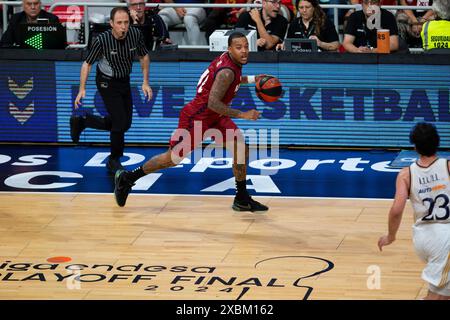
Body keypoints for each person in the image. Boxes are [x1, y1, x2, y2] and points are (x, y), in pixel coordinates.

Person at [114, 32, 269, 213]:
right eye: (239, 47)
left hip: (215, 116)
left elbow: (232, 82)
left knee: (241, 148)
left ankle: (241, 198)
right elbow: (213, 102)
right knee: (172, 159)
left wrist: (253, 79)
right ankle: (128, 178)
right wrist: (243, 114)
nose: (244, 51)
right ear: (229, 49)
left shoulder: (230, 61)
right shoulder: (226, 71)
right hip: (198, 117)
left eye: (246, 47)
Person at [71, 7, 153, 174]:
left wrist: (145, 82)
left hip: (124, 80)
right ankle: (114, 160)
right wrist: (82, 89)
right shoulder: (102, 40)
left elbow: (144, 56)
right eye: (119, 23)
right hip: (106, 82)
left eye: (126, 22)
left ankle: (83, 121)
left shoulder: (135, 35)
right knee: (119, 121)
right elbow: (87, 64)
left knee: (125, 124)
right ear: (111, 24)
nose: (123, 26)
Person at [378, 122, 450, 300]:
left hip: (422, 238)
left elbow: (396, 210)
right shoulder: (448, 166)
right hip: (444, 239)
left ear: (415, 147)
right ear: (438, 142)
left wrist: (390, 236)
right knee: (439, 295)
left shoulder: (405, 174)